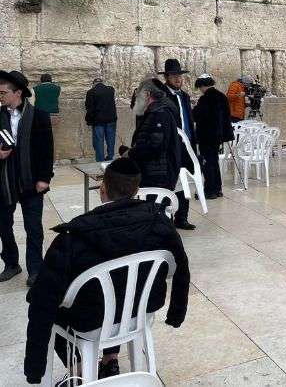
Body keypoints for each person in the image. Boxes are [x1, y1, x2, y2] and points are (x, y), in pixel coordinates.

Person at [24, 158, 190, 383]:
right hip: (141, 311)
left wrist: (34, 370)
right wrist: (176, 314)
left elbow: (42, 300)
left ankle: (80, 367)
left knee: (50, 305)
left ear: (102, 190)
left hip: (90, 322)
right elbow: (182, 269)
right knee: (120, 289)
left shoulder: (72, 238)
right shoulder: (161, 225)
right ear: (137, 191)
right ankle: (110, 359)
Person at [0, 71, 54, 286]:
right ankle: (12, 263)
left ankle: (35, 268)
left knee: (33, 228)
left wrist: (44, 178)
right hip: (4, 182)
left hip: (31, 181)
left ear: (18, 93)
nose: (0, 96)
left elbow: (46, 150)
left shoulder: (39, 116)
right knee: (4, 225)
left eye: (3, 92)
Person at [156, 60, 196, 229]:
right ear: (167, 77)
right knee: (169, 183)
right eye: (174, 76)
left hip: (186, 147)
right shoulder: (161, 96)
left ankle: (182, 217)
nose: (178, 79)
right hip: (171, 147)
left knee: (185, 183)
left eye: (179, 76)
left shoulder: (185, 96)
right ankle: (167, 218)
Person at [125, 79, 181, 197]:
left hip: (157, 177)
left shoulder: (159, 114)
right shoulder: (153, 112)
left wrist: (130, 153)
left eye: (139, 94)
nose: (137, 99)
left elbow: (156, 148)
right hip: (151, 174)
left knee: (156, 212)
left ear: (147, 94)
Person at [192, 74, 234, 200]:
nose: (200, 90)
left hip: (207, 136)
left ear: (202, 85)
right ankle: (218, 189)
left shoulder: (205, 98)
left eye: (200, 87)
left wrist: (194, 108)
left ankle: (210, 191)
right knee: (214, 161)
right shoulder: (222, 96)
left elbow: (197, 116)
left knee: (207, 163)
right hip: (218, 136)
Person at [85, 77, 117, 163]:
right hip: (111, 119)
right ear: (102, 83)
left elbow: (89, 108)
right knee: (111, 139)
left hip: (98, 120)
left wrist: (88, 121)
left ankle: (100, 160)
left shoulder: (91, 92)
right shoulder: (110, 90)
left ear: (93, 84)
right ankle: (110, 157)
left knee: (99, 141)